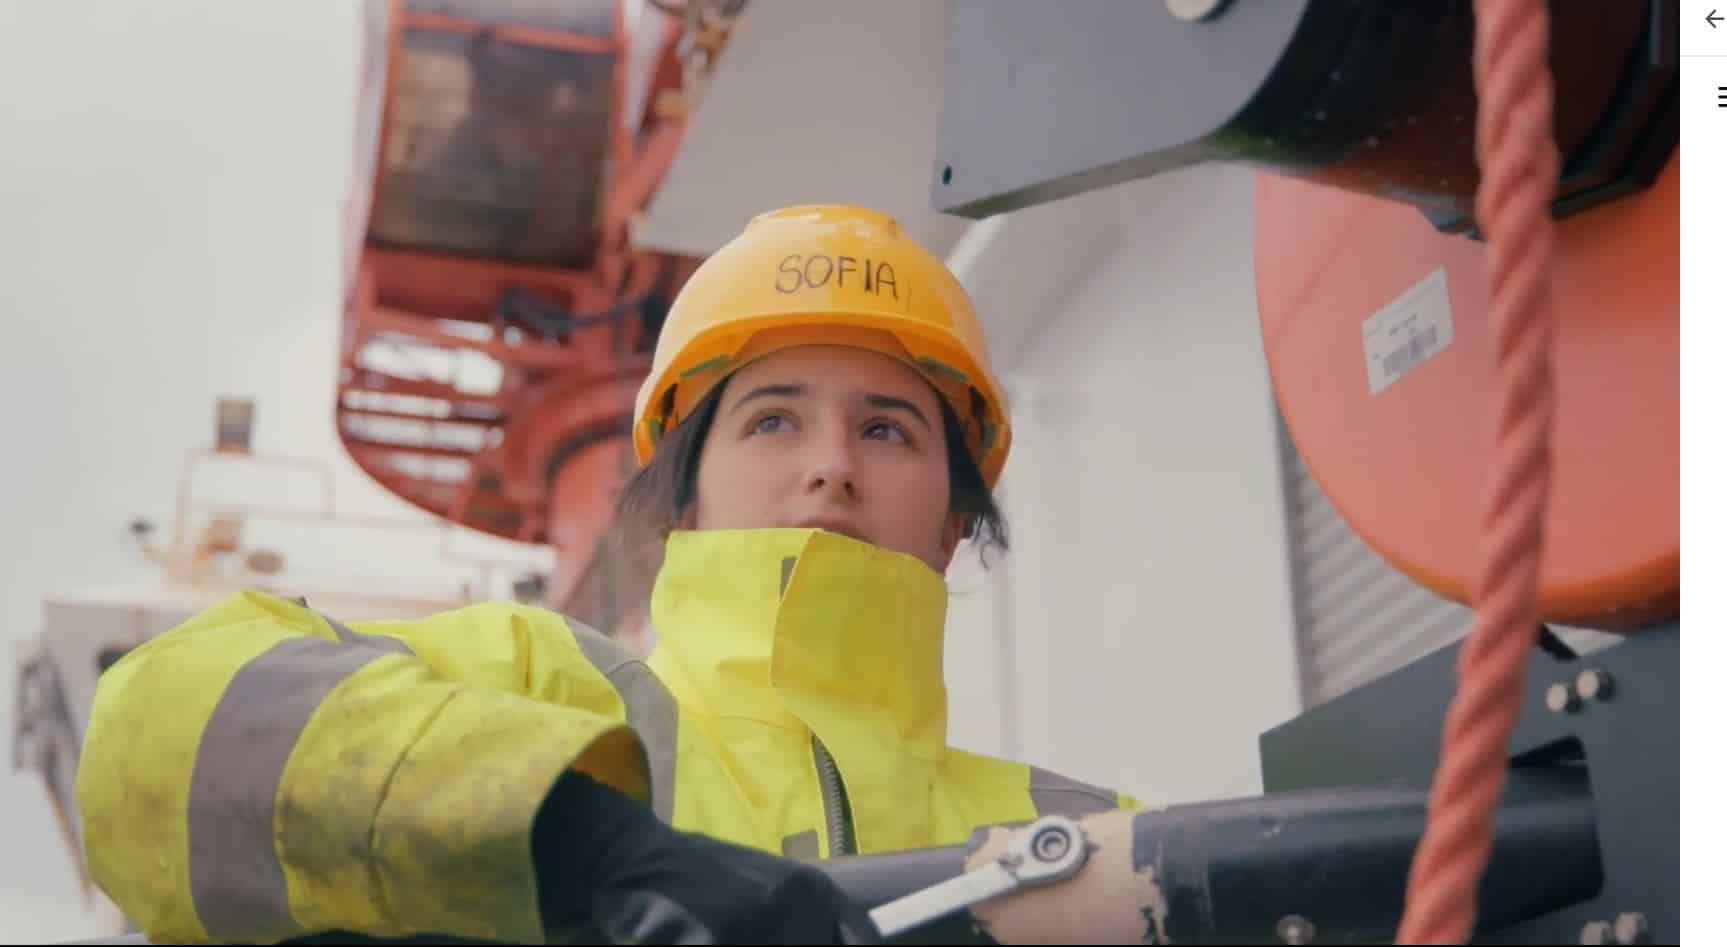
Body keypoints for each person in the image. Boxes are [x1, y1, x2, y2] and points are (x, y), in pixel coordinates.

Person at [75, 205, 1139, 946]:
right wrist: (579, 842)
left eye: (887, 427)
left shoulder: (1090, 839)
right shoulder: (537, 680)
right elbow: (152, 730)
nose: (831, 464)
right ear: (685, 502)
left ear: (953, 522)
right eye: (772, 420)